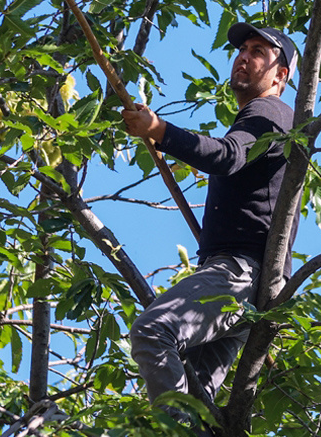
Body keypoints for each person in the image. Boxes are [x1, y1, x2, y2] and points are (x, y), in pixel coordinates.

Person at [120, 22, 298, 408]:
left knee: (153, 331)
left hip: (242, 273)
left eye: (257, 53)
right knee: (196, 395)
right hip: (251, 281)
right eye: (242, 50)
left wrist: (160, 129)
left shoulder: (270, 111)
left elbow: (226, 156)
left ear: (280, 75)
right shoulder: (264, 117)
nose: (244, 57)